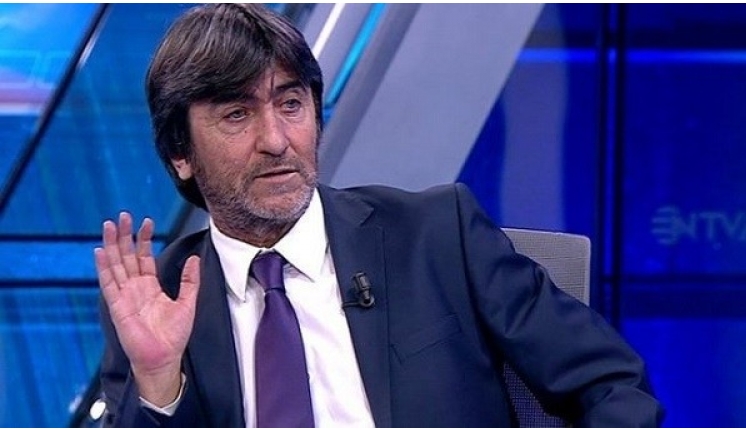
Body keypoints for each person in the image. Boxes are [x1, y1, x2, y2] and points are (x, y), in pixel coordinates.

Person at [95, 3, 664, 428]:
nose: (276, 140)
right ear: (181, 151)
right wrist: (160, 385)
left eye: (291, 104)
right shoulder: (157, 300)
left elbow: (613, 384)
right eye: (237, 115)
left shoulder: (437, 236)